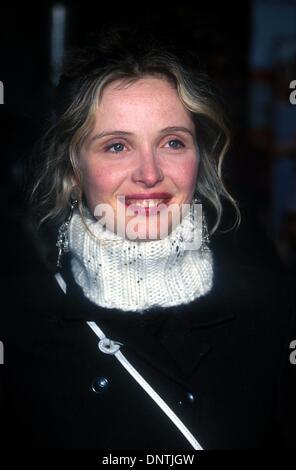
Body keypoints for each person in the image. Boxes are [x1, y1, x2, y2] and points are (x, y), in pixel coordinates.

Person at [0, 25, 295, 451]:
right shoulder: (19, 330)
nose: (150, 173)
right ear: (72, 171)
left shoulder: (273, 310)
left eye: (172, 142)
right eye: (117, 146)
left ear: (200, 158)